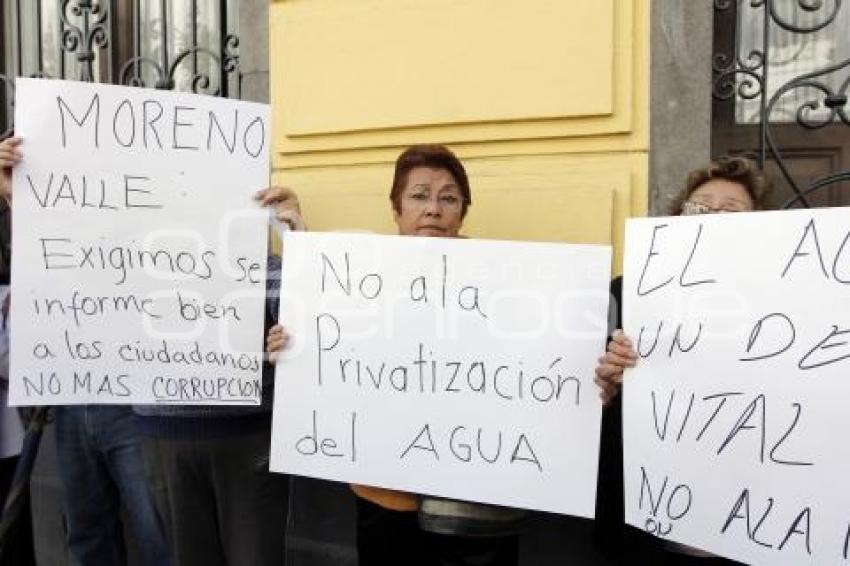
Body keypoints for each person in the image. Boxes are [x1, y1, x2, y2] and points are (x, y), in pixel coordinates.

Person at [267, 144, 525, 566]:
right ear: (397, 209)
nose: (433, 209)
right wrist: (294, 347)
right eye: (419, 195)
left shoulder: (502, 278)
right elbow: (326, 320)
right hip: (383, 485)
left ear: (463, 211)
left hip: (473, 493)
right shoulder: (365, 275)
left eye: (448, 198)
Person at [0, 134, 170, 566]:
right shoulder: (63, 223)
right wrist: (12, 193)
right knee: (87, 534)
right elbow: (54, 262)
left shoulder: (150, 221)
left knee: (157, 537)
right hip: (73, 401)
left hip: (137, 403)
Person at [593, 156, 770, 565]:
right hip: (645, 528)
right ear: (677, 217)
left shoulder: (789, 302)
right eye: (700, 206)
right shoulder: (626, 292)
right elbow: (583, 399)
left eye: (732, 210)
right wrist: (609, 381)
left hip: (748, 524)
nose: (714, 217)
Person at [133, 186, 302, 566]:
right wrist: (21, 202)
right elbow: (71, 275)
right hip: (164, 438)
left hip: (248, 440)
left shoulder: (262, 263)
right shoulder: (133, 260)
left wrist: (296, 238)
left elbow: (308, 318)